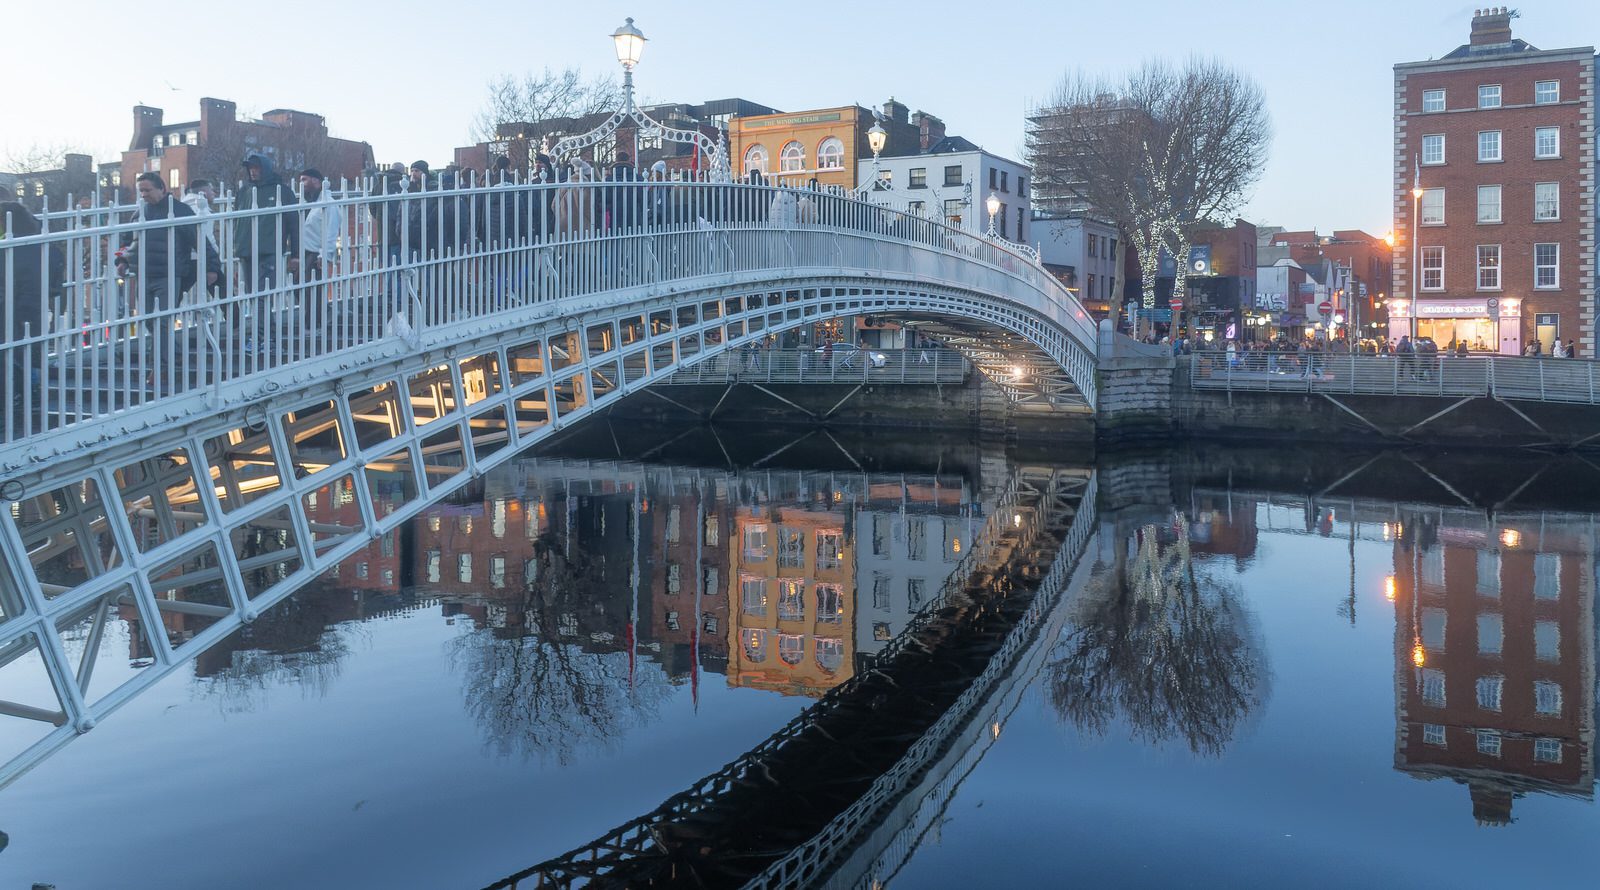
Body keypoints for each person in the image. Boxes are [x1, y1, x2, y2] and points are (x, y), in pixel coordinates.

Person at [234, 153, 300, 292]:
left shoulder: (282, 191)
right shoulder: (244, 191)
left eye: (257, 168)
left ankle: (260, 314)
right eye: (251, 168)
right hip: (247, 251)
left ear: (265, 168)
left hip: (269, 251)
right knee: (252, 294)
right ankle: (259, 315)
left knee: (263, 294)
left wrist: (296, 255)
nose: (253, 171)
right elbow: (237, 223)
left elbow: (295, 225)